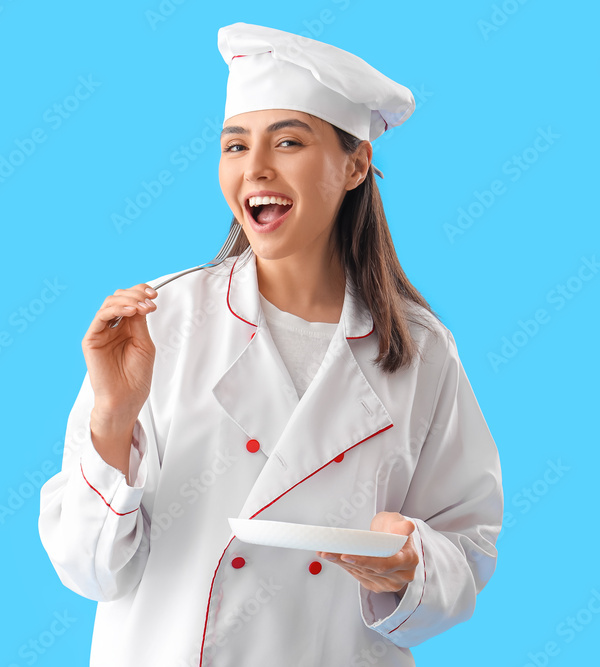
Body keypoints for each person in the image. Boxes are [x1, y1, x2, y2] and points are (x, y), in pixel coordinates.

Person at [38, 22, 503, 667]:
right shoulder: (159, 319)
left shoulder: (419, 350)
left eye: (288, 141)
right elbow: (88, 570)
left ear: (356, 164)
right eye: (235, 145)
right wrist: (112, 419)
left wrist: (411, 564)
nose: (254, 168)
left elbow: (469, 545)